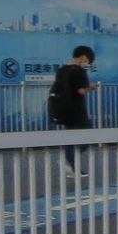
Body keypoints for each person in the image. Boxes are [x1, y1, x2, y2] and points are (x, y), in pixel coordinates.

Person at [48, 44, 97, 174]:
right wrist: (92, 87)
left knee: (71, 136)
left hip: (63, 109)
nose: (87, 63)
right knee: (87, 135)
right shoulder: (79, 71)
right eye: (88, 61)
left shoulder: (62, 69)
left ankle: (72, 166)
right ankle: (68, 160)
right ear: (83, 57)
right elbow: (81, 90)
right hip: (76, 109)